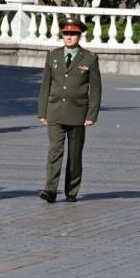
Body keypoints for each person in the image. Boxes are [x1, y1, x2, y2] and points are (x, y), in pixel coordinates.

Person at [38, 18, 101, 203]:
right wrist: (42, 112)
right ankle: (50, 189)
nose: (69, 37)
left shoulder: (89, 58)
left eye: (73, 34)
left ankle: (71, 190)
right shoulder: (53, 55)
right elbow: (45, 85)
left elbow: (95, 89)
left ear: (79, 35)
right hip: (55, 111)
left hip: (77, 113)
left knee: (74, 155)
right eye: (66, 33)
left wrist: (92, 114)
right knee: (54, 151)